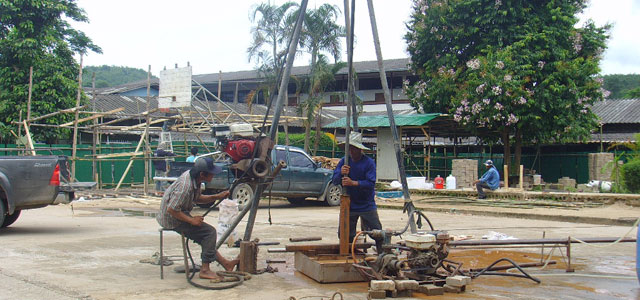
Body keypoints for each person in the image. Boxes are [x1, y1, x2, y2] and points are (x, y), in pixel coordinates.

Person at [156, 157, 238, 280]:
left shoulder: (196, 180)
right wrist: (191, 220)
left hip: (178, 212)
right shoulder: (185, 186)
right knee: (209, 233)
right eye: (211, 173)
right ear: (202, 174)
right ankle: (205, 270)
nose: (213, 175)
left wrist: (217, 196)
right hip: (171, 218)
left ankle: (226, 264)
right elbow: (171, 209)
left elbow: (197, 198)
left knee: (205, 237)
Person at [331, 132, 383, 253]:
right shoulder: (344, 162)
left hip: (366, 204)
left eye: (354, 148)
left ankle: (382, 254)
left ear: (360, 149)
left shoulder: (368, 163)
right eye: (350, 148)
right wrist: (340, 172)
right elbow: (335, 181)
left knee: (377, 233)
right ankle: (348, 254)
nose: (352, 151)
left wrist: (353, 183)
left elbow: (370, 184)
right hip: (350, 204)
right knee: (345, 233)